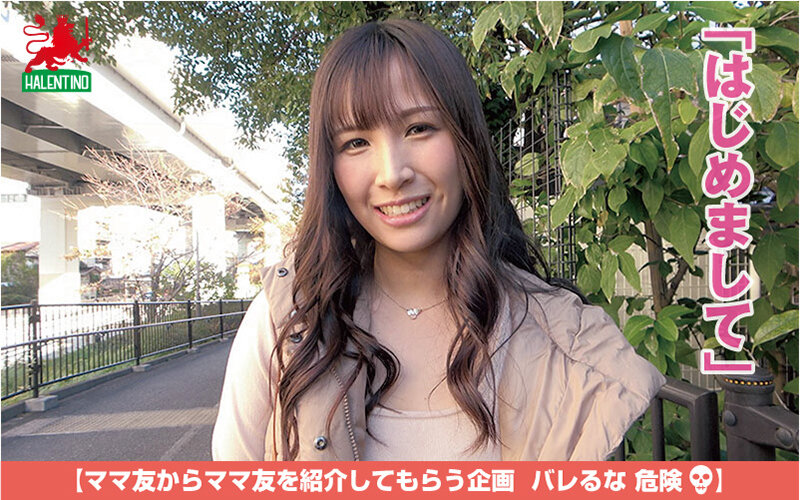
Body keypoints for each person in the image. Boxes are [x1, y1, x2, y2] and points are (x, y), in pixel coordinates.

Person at [212, 19, 665, 461]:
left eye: (419, 128)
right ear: (330, 168)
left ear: (466, 138)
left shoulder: (567, 343)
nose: (392, 174)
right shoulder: (289, 323)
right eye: (356, 142)